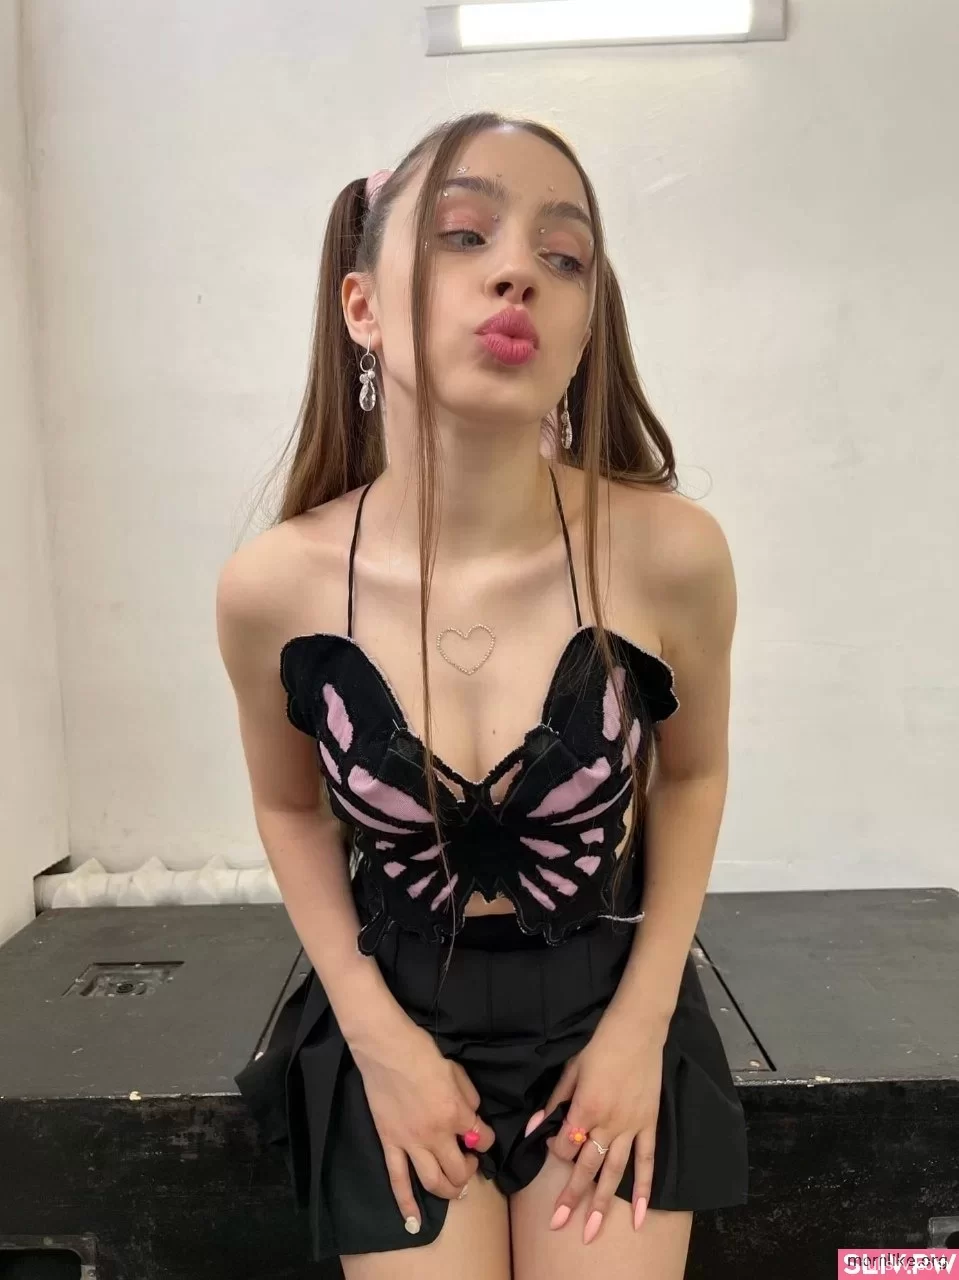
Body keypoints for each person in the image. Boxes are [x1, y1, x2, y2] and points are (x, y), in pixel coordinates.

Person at [217, 111, 748, 1280]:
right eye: (464, 234)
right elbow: (292, 806)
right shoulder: (273, 586)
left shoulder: (669, 552)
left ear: (582, 329)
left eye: (563, 256)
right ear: (362, 305)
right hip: (395, 1007)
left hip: (605, 996)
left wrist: (640, 1024)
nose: (518, 271)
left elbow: (693, 773)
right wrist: (374, 1034)